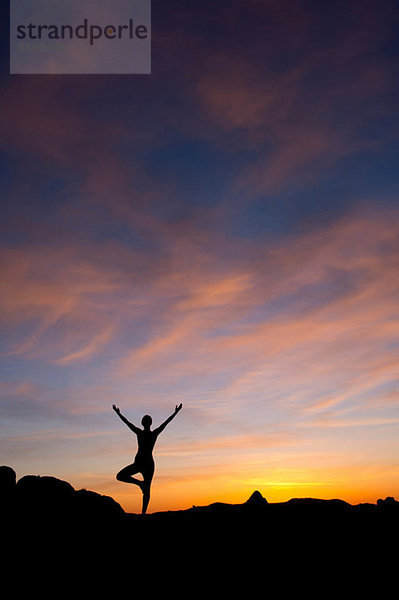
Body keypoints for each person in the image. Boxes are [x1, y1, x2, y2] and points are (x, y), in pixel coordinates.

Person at [113, 403, 183, 514]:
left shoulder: (140, 432)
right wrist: (176, 412)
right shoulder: (153, 433)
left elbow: (127, 423)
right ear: (150, 423)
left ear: (142, 423)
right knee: (146, 489)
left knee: (122, 477)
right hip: (146, 463)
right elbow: (166, 423)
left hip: (142, 463)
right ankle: (143, 510)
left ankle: (143, 506)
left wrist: (118, 413)